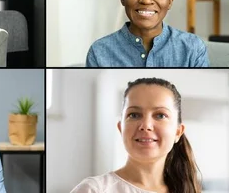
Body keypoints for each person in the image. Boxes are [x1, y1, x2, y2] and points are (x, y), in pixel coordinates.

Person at [70, 77, 201, 193]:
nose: (146, 125)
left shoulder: (188, 189)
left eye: (160, 115)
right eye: (134, 115)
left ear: (178, 132)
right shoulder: (94, 190)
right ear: (121, 128)